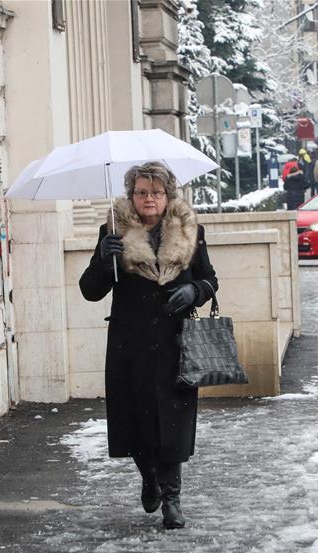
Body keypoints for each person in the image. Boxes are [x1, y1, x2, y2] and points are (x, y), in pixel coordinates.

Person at [78, 162, 218, 530]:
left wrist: (194, 290)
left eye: (156, 192)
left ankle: (172, 499)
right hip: (131, 345)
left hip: (176, 345)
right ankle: (149, 477)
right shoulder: (112, 231)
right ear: (132, 196)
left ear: (167, 194)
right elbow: (91, 291)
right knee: (136, 422)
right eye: (142, 192)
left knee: (172, 424)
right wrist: (102, 258)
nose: (149, 199)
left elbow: (209, 280)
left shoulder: (191, 231)